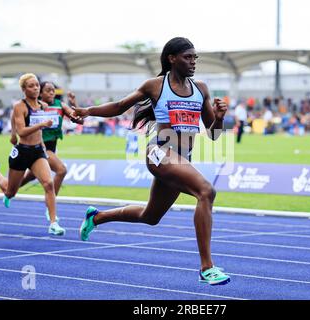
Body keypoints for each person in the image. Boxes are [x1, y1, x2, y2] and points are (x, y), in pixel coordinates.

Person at [73, 37, 230, 285]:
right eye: (188, 57)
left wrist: (220, 118)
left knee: (151, 216)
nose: (193, 62)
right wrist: (88, 111)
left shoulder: (201, 89)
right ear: (172, 58)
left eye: (195, 58)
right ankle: (206, 267)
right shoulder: (156, 85)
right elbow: (119, 105)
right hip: (159, 153)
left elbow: (213, 134)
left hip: (181, 159)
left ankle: (97, 217)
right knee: (206, 191)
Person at [0, 73, 66, 236]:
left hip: (37, 152)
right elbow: (22, 130)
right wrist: (16, 133)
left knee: (48, 184)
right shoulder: (19, 106)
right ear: (23, 89)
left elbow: (38, 131)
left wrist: (41, 145)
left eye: (36, 85)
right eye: (31, 86)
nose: (35, 88)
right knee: (9, 192)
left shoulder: (42, 106)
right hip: (22, 152)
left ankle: (53, 222)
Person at [13, 81, 83, 221]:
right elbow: (16, 117)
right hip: (38, 147)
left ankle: (7, 190)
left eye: (53, 90)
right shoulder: (34, 106)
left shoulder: (60, 105)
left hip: (51, 148)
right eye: (48, 90)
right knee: (61, 170)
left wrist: (74, 103)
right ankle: (50, 207)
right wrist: (12, 135)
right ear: (40, 93)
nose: (51, 93)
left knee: (27, 178)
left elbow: (79, 120)